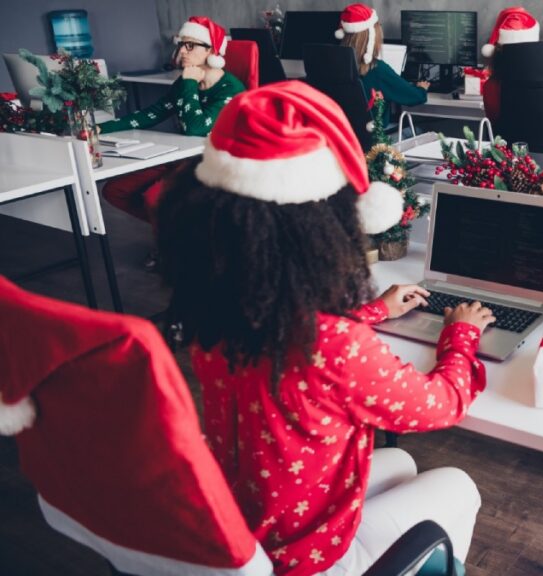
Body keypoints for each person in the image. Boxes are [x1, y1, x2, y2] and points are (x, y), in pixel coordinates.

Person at [156, 81, 494, 576]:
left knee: (401, 466)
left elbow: (292, 337)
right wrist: (461, 335)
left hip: (244, 521)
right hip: (305, 558)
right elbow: (440, 404)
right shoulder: (333, 344)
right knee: (459, 485)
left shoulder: (215, 309)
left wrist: (373, 312)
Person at [98, 16, 244, 226]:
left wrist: (190, 84)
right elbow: (150, 114)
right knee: (115, 191)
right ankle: (175, 238)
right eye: (181, 44)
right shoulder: (185, 82)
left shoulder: (230, 90)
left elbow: (196, 128)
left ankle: (178, 242)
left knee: (154, 198)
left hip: (213, 163)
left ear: (211, 51)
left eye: (190, 45)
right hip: (181, 158)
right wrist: (99, 128)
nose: (181, 51)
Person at [336, 3, 428, 125]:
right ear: (372, 35)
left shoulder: (332, 65)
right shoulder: (377, 69)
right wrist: (421, 88)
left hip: (344, 137)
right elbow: (415, 97)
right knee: (419, 130)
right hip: (377, 138)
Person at [480, 6, 540, 123]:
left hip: (502, 141)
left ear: (497, 54)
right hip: (541, 141)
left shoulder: (490, 87)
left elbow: (494, 122)